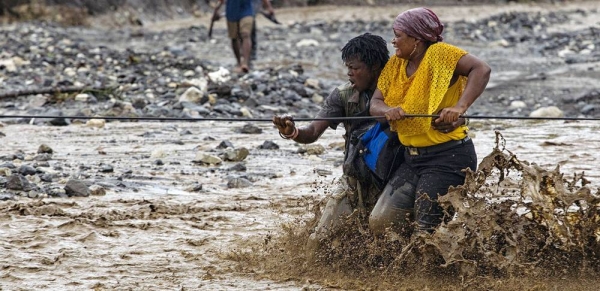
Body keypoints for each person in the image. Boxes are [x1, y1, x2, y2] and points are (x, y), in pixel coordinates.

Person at [272, 33, 466, 249]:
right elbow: (312, 133)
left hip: (396, 181)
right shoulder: (343, 96)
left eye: (355, 68)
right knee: (318, 243)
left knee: (401, 239)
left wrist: (457, 119)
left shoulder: (410, 90)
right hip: (356, 183)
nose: (349, 73)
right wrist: (292, 131)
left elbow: (444, 116)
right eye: (348, 67)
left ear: (375, 67)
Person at [369, 7, 491, 234]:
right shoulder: (396, 64)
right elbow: (375, 102)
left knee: (426, 232)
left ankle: (431, 269)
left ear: (416, 38)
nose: (393, 41)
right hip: (411, 158)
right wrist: (387, 110)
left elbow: (481, 69)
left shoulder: (440, 55)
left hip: (448, 158)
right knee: (381, 223)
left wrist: (459, 107)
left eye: (398, 35)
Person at [213, 0, 274, 73]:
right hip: (232, 11)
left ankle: (245, 62)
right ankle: (239, 62)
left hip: (246, 10)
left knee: (246, 34)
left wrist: (268, 7)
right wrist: (216, 10)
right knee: (234, 38)